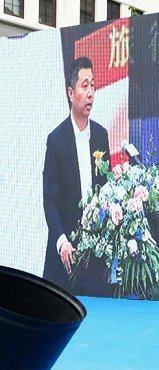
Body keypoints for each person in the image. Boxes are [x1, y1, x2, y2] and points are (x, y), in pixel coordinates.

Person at [43, 57, 112, 295]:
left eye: (93, 85)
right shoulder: (56, 141)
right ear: (71, 93)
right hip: (65, 257)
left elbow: (106, 191)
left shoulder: (101, 136)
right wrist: (61, 241)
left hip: (95, 261)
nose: (91, 93)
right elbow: (50, 201)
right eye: (85, 86)